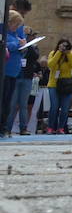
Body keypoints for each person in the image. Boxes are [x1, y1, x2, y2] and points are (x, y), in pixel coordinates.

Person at [46, 39, 72, 135]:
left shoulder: (71, 54)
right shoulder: (53, 53)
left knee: (65, 109)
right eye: (62, 46)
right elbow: (51, 65)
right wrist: (59, 53)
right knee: (54, 107)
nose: (64, 48)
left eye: (66, 46)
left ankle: (61, 128)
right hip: (54, 84)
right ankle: (50, 127)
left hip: (66, 85)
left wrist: (68, 53)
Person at [1, 10, 25, 138]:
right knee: (3, 100)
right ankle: (2, 127)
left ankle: (4, 126)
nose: (16, 27)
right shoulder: (4, 34)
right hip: (5, 72)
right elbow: (7, 46)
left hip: (14, 73)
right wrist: (18, 44)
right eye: (15, 24)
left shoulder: (16, 35)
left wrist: (23, 46)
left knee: (8, 102)